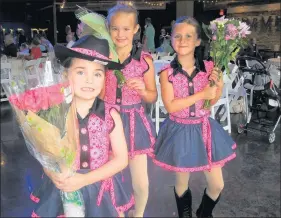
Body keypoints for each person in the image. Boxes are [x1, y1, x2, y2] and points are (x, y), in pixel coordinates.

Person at [30, 35, 134, 217]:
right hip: (64, 186)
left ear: (104, 79)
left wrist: (84, 179)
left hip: (99, 188)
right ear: (65, 75)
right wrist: (54, 175)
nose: (89, 80)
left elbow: (121, 159)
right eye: (80, 72)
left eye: (97, 74)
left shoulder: (111, 115)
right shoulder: (56, 114)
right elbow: (45, 156)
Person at [153, 16, 236, 218]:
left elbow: (211, 101)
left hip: (204, 129)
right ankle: (186, 215)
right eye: (178, 36)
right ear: (171, 39)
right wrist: (201, 94)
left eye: (189, 36)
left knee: (217, 184)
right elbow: (171, 107)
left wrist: (218, 85)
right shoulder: (167, 74)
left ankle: (204, 213)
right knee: (182, 182)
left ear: (198, 41)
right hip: (179, 130)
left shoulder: (209, 68)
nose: (183, 40)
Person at [105, 4, 157, 217]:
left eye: (126, 29)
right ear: (108, 29)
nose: (120, 34)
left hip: (134, 121)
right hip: (107, 121)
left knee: (141, 182)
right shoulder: (103, 57)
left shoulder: (144, 59)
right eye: (115, 28)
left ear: (136, 29)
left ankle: (139, 214)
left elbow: (153, 95)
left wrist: (144, 91)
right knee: (110, 177)